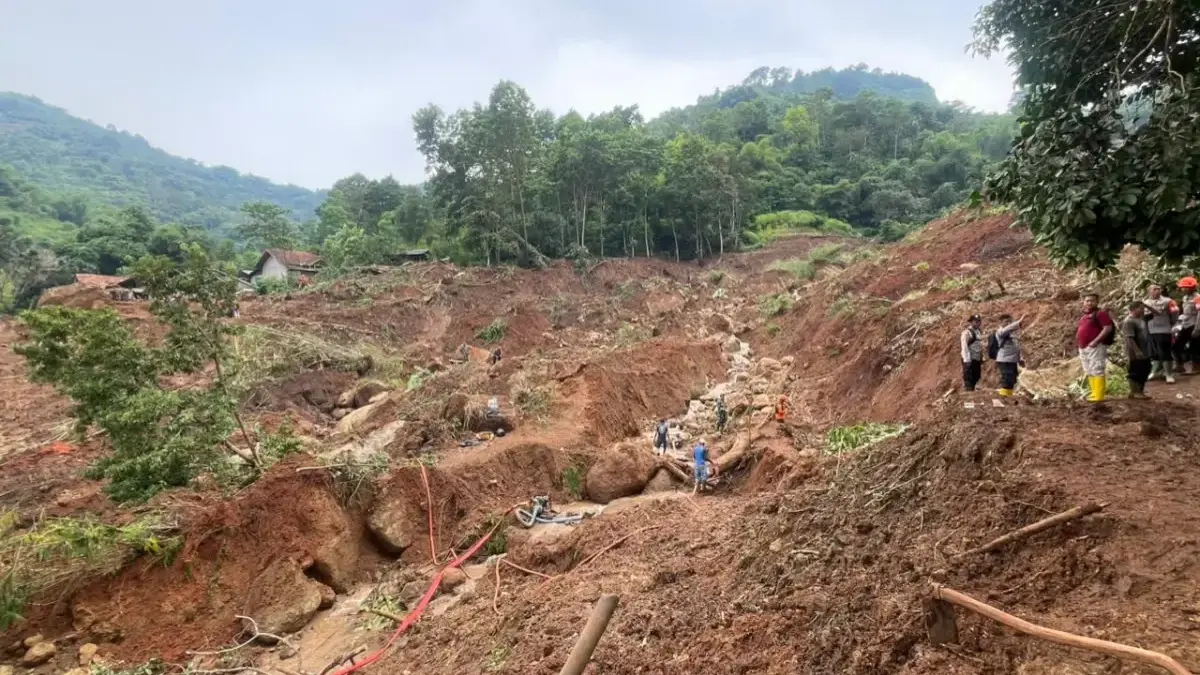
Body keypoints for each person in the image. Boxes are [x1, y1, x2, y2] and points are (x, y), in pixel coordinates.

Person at [1077, 293, 1115, 402]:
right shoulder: (1085, 316)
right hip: (1084, 347)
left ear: (1097, 302)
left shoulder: (1100, 314)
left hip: (1095, 346)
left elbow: (1107, 328)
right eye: (1087, 301)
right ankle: (1094, 393)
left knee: (1097, 368)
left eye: (1092, 301)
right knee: (1089, 370)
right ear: (1083, 302)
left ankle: (1099, 395)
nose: (1089, 303)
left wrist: (1095, 341)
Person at [1143, 284, 1178, 383]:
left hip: (1164, 329)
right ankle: (1154, 372)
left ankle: (1169, 374)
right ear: (1149, 291)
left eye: (1158, 289)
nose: (1157, 291)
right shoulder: (1146, 302)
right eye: (1154, 289)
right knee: (1154, 352)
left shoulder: (1168, 301)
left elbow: (1175, 313)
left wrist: (1172, 323)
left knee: (1165, 351)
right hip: (1151, 329)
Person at [1122, 302, 1152, 399]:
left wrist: (1147, 305)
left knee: (1146, 369)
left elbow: (1157, 313)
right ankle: (1134, 391)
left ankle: (1140, 391)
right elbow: (1129, 338)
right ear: (1134, 309)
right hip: (1134, 351)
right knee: (1135, 370)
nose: (1143, 310)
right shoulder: (1129, 321)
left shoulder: (1142, 318)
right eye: (1141, 308)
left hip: (1144, 349)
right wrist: (1137, 351)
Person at [992, 314, 1023, 397]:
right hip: (1004, 360)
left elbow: (1017, 346)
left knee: (1012, 380)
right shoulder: (1000, 332)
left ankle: (1008, 398)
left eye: (1010, 321)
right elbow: (1004, 331)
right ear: (1000, 323)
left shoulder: (1011, 334)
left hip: (1013, 360)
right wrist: (1018, 323)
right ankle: (1004, 398)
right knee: (1007, 379)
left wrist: (1020, 358)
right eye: (1006, 321)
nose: (1009, 323)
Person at [1174, 277, 1200, 373]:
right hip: (1185, 324)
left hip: (1195, 324)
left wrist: (1197, 329)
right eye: (1183, 287)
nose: (1184, 289)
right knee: (1176, 346)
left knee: (1195, 346)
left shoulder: (1198, 298)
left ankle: (1196, 367)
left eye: (1186, 287)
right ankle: (1180, 366)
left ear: (1193, 287)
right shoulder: (1184, 298)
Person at [960, 314, 984, 391]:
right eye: (976, 321)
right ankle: (968, 397)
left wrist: (981, 357)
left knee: (976, 377)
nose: (978, 323)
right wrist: (967, 360)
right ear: (971, 322)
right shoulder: (966, 332)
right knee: (969, 379)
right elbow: (964, 347)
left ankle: (972, 393)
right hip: (969, 359)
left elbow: (979, 345)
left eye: (979, 321)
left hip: (976, 358)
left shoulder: (978, 332)